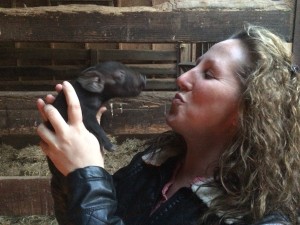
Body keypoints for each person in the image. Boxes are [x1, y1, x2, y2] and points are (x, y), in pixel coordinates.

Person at [36, 25, 300, 225]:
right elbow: (82, 217)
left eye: (208, 74)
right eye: (193, 67)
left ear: (248, 109)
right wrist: (70, 167)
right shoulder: (152, 165)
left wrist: (87, 174)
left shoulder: (259, 218)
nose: (182, 78)